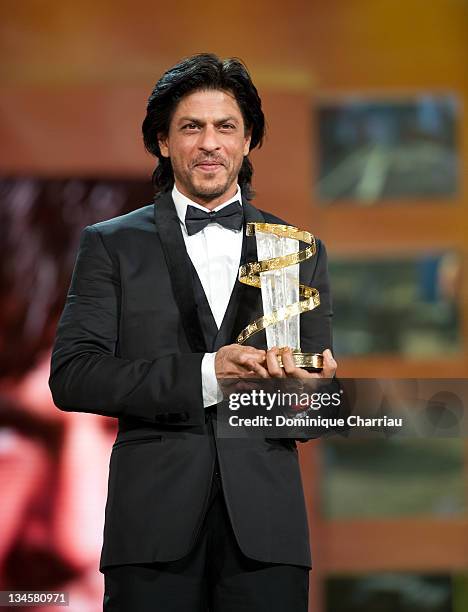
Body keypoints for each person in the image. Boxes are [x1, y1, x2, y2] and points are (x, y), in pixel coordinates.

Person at [49, 53, 337, 612]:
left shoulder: (295, 250)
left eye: (225, 127)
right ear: (162, 142)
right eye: (191, 127)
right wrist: (207, 373)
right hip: (152, 529)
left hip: (267, 534)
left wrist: (314, 395)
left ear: (248, 140)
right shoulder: (111, 244)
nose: (210, 143)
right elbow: (73, 375)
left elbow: (310, 411)